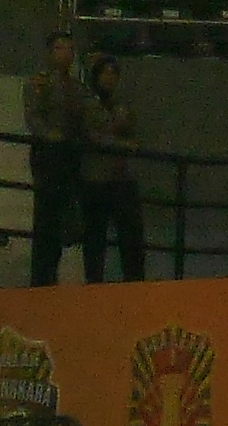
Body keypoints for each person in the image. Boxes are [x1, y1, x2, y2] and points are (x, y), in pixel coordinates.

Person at [22, 30, 87, 286]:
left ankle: (51, 275)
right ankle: (42, 278)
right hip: (49, 155)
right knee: (46, 219)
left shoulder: (77, 87)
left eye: (70, 49)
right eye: (60, 48)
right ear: (50, 53)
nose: (66, 54)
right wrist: (52, 136)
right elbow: (34, 117)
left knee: (64, 216)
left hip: (71, 155)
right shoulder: (40, 83)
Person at [79, 54, 146, 283]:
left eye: (113, 73)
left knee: (131, 235)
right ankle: (94, 283)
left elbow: (133, 132)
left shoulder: (121, 105)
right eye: (105, 73)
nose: (109, 78)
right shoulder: (88, 104)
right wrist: (119, 140)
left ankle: (133, 282)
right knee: (95, 237)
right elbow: (92, 135)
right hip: (96, 177)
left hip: (120, 177)